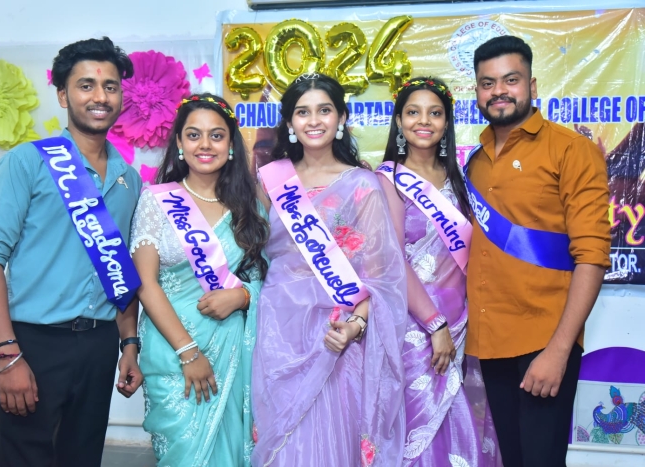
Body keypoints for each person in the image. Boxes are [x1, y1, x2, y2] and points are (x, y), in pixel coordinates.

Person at [0, 37, 143, 467]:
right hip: (33, 343)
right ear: (63, 95)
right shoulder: (27, 162)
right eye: (86, 85)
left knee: (82, 458)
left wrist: (129, 343)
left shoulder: (129, 179)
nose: (100, 96)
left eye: (110, 86)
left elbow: (122, 269)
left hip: (99, 345)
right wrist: (7, 353)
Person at [466, 35, 611, 467]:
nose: (499, 91)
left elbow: (592, 256)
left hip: (544, 343)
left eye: (510, 80)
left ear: (532, 85)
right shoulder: (475, 161)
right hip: (489, 344)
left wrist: (559, 350)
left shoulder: (570, 150)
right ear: (477, 92)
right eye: (488, 83)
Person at [251, 73, 408, 467]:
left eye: (324, 110)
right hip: (280, 330)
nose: (314, 120)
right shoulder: (270, 182)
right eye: (302, 112)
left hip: (337, 331)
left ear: (341, 118)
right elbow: (254, 257)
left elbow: (382, 276)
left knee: (332, 442)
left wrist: (355, 325)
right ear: (290, 122)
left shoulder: (362, 184)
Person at [130, 93, 268, 466]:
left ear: (231, 145)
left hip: (232, 352)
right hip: (172, 353)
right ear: (179, 142)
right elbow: (145, 284)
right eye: (194, 135)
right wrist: (188, 353)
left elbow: (265, 279)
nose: (205, 145)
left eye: (216, 135)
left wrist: (242, 297)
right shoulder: (156, 201)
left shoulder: (249, 208)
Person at [377, 76, 501, 466]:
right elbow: (391, 261)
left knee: (461, 425)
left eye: (435, 113)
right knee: (419, 425)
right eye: (413, 112)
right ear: (399, 121)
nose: (423, 121)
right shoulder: (387, 179)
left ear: (446, 122)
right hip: (414, 326)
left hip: (463, 322)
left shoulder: (459, 180)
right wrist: (434, 325)